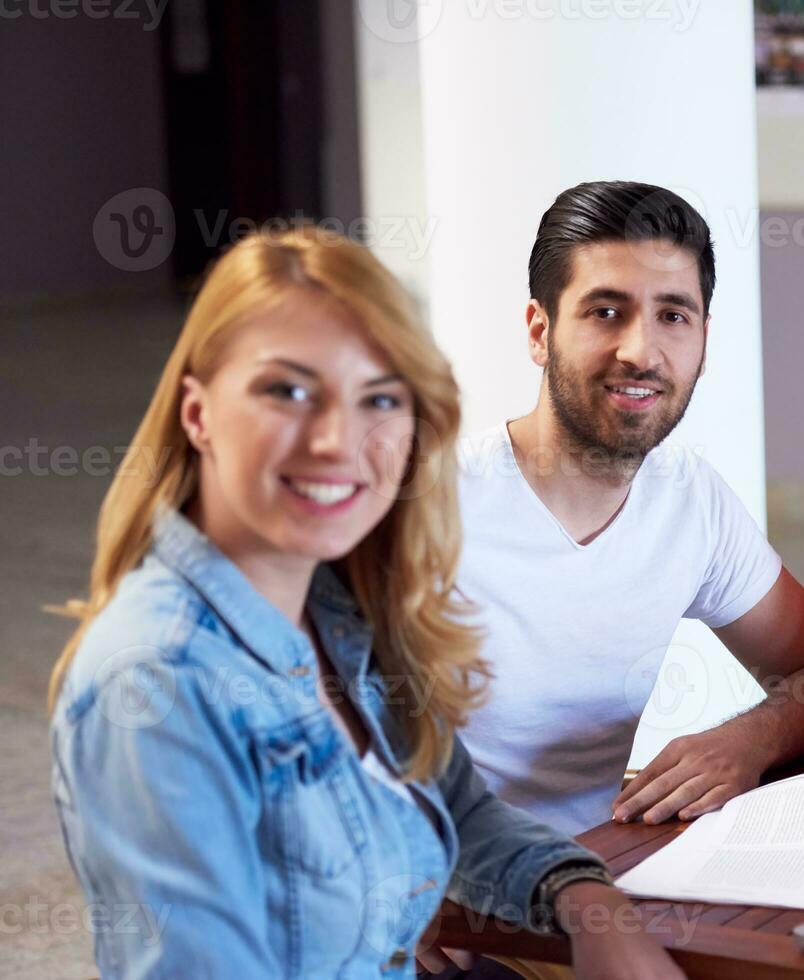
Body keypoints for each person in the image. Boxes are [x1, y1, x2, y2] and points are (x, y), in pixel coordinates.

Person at [48, 227, 682, 978]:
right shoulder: (160, 683)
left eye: (378, 398)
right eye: (286, 391)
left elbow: (455, 804)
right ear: (197, 413)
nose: (335, 441)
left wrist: (588, 903)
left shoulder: (336, 603)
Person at [455, 181, 804, 835]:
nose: (640, 351)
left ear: (702, 338)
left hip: (583, 890)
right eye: (605, 311)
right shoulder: (423, 504)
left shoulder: (690, 498)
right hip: (421, 915)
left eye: (672, 315)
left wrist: (750, 739)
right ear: (539, 331)